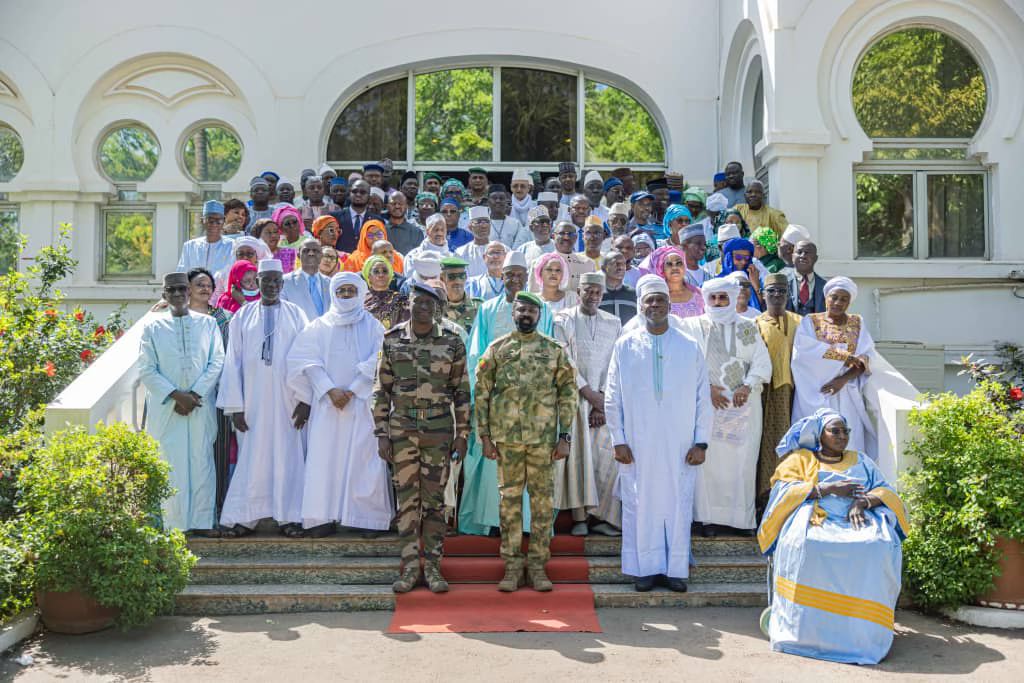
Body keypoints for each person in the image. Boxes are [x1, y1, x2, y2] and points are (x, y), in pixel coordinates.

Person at [759, 409, 908, 665]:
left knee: (878, 546)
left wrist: (864, 502)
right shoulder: (801, 460)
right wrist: (825, 488)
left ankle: (862, 633)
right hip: (815, 520)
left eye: (845, 431)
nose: (842, 436)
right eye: (835, 431)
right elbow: (781, 492)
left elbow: (886, 490)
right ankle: (806, 634)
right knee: (810, 546)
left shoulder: (861, 460)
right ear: (820, 434)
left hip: (856, 520)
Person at [604, 274, 712, 592]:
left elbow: (702, 397)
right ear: (640, 305)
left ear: (669, 304)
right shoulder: (625, 346)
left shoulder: (689, 346)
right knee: (641, 502)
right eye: (649, 300)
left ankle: (675, 568)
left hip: (681, 443)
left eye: (660, 300)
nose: (654, 305)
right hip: (637, 442)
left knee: (678, 502)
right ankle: (645, 569)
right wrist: (618, 439)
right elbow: (613, 396)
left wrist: (701, 441)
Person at [475, 291, 576, 591]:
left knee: (543, 505)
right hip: (507, 440)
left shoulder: (555, 351)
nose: (526, 315)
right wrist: (485, 437)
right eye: (521, 310)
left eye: (532, 311)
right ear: (513, 313)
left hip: (543, 442)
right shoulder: (497, 349)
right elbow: (481, 394)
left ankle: (537, 566)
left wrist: (565, 436)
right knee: (509, 504)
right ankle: (511, 567)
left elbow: (568, 396)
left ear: (540, 315)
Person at [373, 283, 471, 593]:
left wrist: (463, 434)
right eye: (418, 301)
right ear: (409, 304)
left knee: (434, 503)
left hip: (439, 432)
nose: (424, 307)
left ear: (438, 307)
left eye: (430, 302)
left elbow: (462, 392)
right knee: (407, 503)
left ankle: (433, 568)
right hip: (402, 433)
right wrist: (382, 434)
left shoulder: (452, 342)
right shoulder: (392, 340)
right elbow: (381, 390)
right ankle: (410, 568)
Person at [286, 271, 393, 540]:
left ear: (360, 293)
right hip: (327, 406)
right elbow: (304, 360)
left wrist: (354, 389)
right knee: (325, 460)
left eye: (351, 291)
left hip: (361, 403)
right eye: (341, 291)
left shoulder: (373, 326)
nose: (346, 296)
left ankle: (366, 518)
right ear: (333, 294)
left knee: (364, 460)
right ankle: (321, 518)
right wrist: (328, 389)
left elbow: (380, 358)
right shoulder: (318, 326)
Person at [459, 251, 555, 536]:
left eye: (518, 274)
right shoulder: (488, 308)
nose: (514, 279)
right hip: (497, 398)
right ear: (501, 277)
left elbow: (547, 350)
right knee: (492, 462)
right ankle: (493, 521)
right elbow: (477, 353)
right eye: (509, 274)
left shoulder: (542, 309)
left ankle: (525, 524)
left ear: (526, 277)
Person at [217, 259, 311, 538]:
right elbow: (232, 361)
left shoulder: (297, 315)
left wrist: (305, 400)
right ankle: (245, 518)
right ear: (256, 283)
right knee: (252, 458)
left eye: (275, 281)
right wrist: (235, 406)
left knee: (289, 457)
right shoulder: (242, 317)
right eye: (265, 280)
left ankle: (290, 517)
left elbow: (307, 358)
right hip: (253, 403)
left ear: (282, 284)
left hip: (288, 402)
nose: (270, 285)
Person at [680, 277, 771, 537]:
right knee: (710, 464)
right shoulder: (692, 326)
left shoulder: (746, 327)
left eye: (723, 297)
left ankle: (740, 521)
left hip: (744, 403)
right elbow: (685, 362)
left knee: (742, 461)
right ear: (706, 300)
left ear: (732, 299)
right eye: (713, 298)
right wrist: (706, 389)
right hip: (708, 404)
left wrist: (747, 385)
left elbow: (762, 362)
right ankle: (708, 519)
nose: (719, 302)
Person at [138, 272, 225, 534]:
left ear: (188, 292)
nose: (177, 295)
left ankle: (202, 522)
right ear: (164, 295)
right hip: (167, 407)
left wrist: (194, 395)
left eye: (181, 289)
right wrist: (177, 395)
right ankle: (174, 525)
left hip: (199, 405)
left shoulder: (208, 323)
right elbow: (146, 368)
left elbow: (217, 360)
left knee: (201, 461)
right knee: (170, 462)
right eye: (171, 291)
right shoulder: (152, 327)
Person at [554, 272, 623, 536]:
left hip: (605, 403)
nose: (592, 296)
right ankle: (580, 518)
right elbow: (564, 360)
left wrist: (601, 400)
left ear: (603, 295)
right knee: (578, 458)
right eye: (588, 291)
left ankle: (603, 518)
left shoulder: (614, 322)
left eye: (597, 292)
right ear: (579, 291)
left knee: (605, 459)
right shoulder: (564, 320)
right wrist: (589, 395)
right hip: (574, 399)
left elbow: (616, 362)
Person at [791, 276, 876, 454]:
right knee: (815, 438)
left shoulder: (857, 322)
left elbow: (865, 357)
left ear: (849, 302)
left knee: (850, 437)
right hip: (816, 389)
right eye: (834, 297)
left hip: (846, 392)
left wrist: (842, 380)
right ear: (826, 298)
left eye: (844, 299)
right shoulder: (810, 321)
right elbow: (803, 353)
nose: (837, 302)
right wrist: (842, 356)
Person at [755, 273, 802, 514]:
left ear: (788, 295)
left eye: (781, 291)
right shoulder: (755, 324)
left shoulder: (800, 322)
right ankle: (763, 497)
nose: (777, 296)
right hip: (764, 393)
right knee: (764, 445)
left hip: (794, 393)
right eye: (771, 291)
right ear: (762, 294)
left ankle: (788, 496)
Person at [528, 220, 595, 295]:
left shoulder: (588, 263)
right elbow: (533, 295)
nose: (566, 237)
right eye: (562, 233)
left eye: (570, 234)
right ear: (553, 236)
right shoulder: (539, 263)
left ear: (576, 237)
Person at [178, 200, 235, 276]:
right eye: (210, 220)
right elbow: (182, 273)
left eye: (218, 221)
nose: (214, 224)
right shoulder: (189, 246)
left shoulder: (233, 246)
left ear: (224, 221)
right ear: (202, 221)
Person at [281, 238, 331, 320]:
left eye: (315, 251)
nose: (311, 253)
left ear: (321, 255)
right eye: (306, 250)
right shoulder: (285, 282)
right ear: (298, 255)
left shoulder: (330, 283)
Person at [649, 245, 704, 319]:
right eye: (669, 264)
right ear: (662, 269)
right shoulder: (656, 297)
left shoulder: (699, 293)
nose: (675, 268)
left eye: (679, 263)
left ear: (684, 267)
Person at [330, 179, 378, 254]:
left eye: (362, 192)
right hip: (341, 263)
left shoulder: (376, 221)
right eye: (354, 191)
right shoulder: (334, 217)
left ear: (369, 196)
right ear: (349, 193)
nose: (358, 194)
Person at [362, 254, 409, 330]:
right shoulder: (360, 301)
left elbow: (406, 327)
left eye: (385, 271)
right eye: (376, 271)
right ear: (369, 277)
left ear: (390, 275)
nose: (381, 275)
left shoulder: (401, 300)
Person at [440, 256, 481, 337]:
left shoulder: (479, 307)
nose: (457, 281)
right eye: (452, 277)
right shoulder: (436, 309)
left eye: (461, 276)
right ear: (442, 278)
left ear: (466, 277)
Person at [404, 214, 452, 279]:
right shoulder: (412, 257)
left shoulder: (452, 257)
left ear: (446, 231)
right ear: (427, 231)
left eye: (442, 230)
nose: (439, 233)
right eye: (436, 229)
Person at [787, 240, 828, 315]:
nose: (803, 256)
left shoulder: (825, 286)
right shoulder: (782, 282)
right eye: (799, 252)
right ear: (792, 257)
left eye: (807, 253)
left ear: (815, 258)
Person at [599, 250, 637, 325]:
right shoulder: (596, 294)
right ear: (604, 268)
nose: (620, 267)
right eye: (615, 263)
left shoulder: (633, 294)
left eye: (623, 264)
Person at [456, 206, 496, 276]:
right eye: (478, 222)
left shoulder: (502, 249)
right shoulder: (460, 252)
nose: (483, 226)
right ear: (470, 227)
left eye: (486, 221)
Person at [487, 184, 530, 249]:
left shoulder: (515, 223)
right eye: (494, 198)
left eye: (501, 198)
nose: (498, 201)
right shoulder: (483, 223)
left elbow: (520, 246)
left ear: (506, 201)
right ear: (488, 202)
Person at [384, 191, 423, 256]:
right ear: (387, 206)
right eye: (393, 203)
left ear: (406, 206)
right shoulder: (381, 230)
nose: (397, 206)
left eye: (400, 203)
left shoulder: (416, 232)